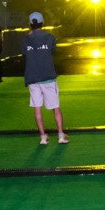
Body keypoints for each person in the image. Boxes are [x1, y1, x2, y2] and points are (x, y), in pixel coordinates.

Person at [23, 10, 68, 145]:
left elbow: (24, 53)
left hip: (32, 78)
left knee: (37, 108)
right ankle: (61, 135)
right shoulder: (50, 37)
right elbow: (52, 51)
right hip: (47, 76)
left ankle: (43, 137)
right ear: (43, 23)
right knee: (56, 107)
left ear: (30, 24)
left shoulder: (26, 39)